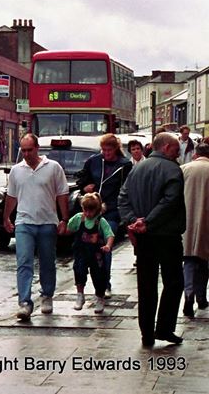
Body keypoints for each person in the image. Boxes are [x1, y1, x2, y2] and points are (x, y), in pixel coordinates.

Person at [118, 132, 186, 347]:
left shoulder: (137, 169)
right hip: (166, 235)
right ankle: (164, 328)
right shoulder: (172, 169)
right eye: (176, 149)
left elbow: (123, 198)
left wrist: (132, 221)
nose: (177, 153)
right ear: (165, 148)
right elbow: (170, 201)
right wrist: (147, 221)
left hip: (143, 238)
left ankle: (146, 333)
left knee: (146, 285)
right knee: (173, 282)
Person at [3, 133, 70, 320]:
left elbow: (62, 194)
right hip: (24, 222)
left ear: (37, 148)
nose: (26, 154)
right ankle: (24, 302)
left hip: (47, 222)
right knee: (24, 262)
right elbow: (12, 196)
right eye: (23, 150)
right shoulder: (17, 170)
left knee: (47, 261)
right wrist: (6, 217)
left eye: (29, 150)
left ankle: (47, 295)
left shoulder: (53, 168)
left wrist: (64, 219)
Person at [76, 133, 131, 291]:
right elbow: (82, 178)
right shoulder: (93, 161)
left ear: (115, 149)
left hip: (111, 211)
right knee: (88, 247)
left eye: (109, 150)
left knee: (105, 245)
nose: (106, 153)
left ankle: (104, 282)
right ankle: (92, 280)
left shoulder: (124, 165)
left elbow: (126, 189)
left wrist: (119, 208)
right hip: (92, 210)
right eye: (103, 150)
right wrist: (84, 187)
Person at [64, 193, 115, 313]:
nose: (87, 214)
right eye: (85, 210)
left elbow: (110, 234)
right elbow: (69, 229)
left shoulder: (100, 221)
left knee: (99, 276)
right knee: (79, 271)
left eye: (90, 211)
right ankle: (80, 295)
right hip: (81, 252)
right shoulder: (78, 218)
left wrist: (108, 245)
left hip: (96, 255)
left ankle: (100, 298)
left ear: (97, 210)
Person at [181, 142, 209, 317]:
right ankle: (201, 297)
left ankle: (188, 296)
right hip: (206, 221)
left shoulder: (183, 169)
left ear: (195, 154)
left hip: (187, 222)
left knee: (189, 260)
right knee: (204, 261)